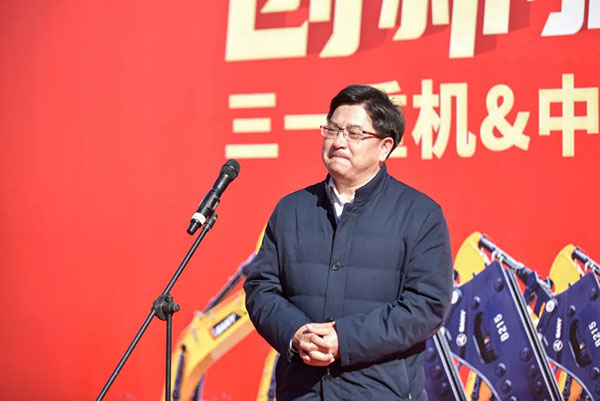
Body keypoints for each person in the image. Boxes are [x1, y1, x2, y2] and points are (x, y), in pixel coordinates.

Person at [244, 84, 453, 401]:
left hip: (381, 392)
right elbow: (261, 288)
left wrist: (344, 340)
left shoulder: (420, 214)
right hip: (302, 391)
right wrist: (296, 333)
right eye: (333, 130)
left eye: (354, 133)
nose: (339, 141)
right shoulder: (292, 210)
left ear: (384, 147)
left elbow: (427, 305)